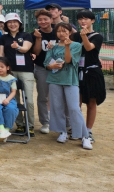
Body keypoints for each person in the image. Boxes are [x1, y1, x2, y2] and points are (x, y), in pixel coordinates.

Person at [44, 22, 91, 150]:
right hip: (54, 80)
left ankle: (84, 136)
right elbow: (46, 63)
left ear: (70, 32)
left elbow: (69, 61)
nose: (62, 33)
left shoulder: (75, 45)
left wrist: (66, 46)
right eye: (59, 31)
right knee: (57, 107)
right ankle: (62, 131)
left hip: (70, 80)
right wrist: (51, 66)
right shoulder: (52, 46)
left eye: (65, 31)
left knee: (74, 108)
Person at [0, 13, 35, 136]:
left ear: (19, 23)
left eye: (15, 22)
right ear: (6, 24)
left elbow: (25, 49)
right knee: (14, 100)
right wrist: (2, 69)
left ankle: (30, 126)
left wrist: (17, 46)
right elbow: (1, 55)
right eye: (9, 22)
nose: (12, 24)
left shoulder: (26, 35)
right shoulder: (4, 38)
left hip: (26, 71)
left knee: (28, 99)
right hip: (11, 72)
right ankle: (20, 124)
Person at [72, 10, 105, 143]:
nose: (83, 21)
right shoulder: (75, 36)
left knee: (91, 102)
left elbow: (89, 47)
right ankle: (78, 129)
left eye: (86, 19)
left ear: (92, 20)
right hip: (77, 71)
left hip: (92, 73)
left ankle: (88, 130)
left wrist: (84, 36)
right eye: (80, 19)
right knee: (76, 103)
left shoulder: (97, 36)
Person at [31, 9, 56, 134]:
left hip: (59, 69)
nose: (43, 22)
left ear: (51, 19)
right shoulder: (35, 33)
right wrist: (39, 39)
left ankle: (61, 122)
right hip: (42, 68)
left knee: (59, 96)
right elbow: (35, 52)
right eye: (40, 20)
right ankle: (45, 122)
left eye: (45, 19)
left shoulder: (59, 31)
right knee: (43, 96)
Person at [0, 57, 19, 142]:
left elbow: (13, 92)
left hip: (8, 97)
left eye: (2, 66)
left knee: (11, 108)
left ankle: (6, 130)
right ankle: (1, 129)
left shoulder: (11, 78)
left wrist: (8, 100)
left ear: (7, 68)